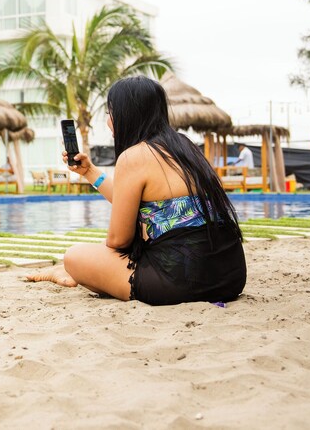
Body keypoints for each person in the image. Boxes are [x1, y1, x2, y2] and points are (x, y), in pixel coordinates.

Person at [27, 75, 247, 306]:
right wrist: (90, 171)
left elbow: (118, 240)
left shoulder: (133, 156)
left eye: (110, 112)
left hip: (181, 280)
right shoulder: (185, 147)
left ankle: (73, 272)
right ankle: (79, 273)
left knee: (74, 256)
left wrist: (101, 255)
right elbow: (137, 203)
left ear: (126, 114)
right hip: (230, 276)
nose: (108, 120)